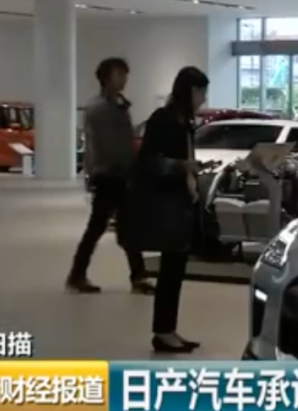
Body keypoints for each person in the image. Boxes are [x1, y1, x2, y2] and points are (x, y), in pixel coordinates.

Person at [122, 66, 210, 353]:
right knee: (170, 271)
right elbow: (148, 162)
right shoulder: (164, 119)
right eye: (201, 92)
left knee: (175, 269)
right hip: (166, 203)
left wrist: (190, 169)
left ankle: (168, 329)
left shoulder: (184, 121)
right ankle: (162, 332)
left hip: (180, 201)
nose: (203, 99)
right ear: (189, 90)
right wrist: (181, 166)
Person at [66, 58, 153, 295]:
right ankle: (80, 275)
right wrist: (127, 166)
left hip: (118, 173)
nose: (124, 79)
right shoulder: (101, 108)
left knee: (122, 226)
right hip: (110, 175)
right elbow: (109, 145)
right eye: (120, 74)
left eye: (125, 74)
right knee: (104, 227)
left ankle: (136, 275)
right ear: (106, 78)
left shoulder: (117, 104)